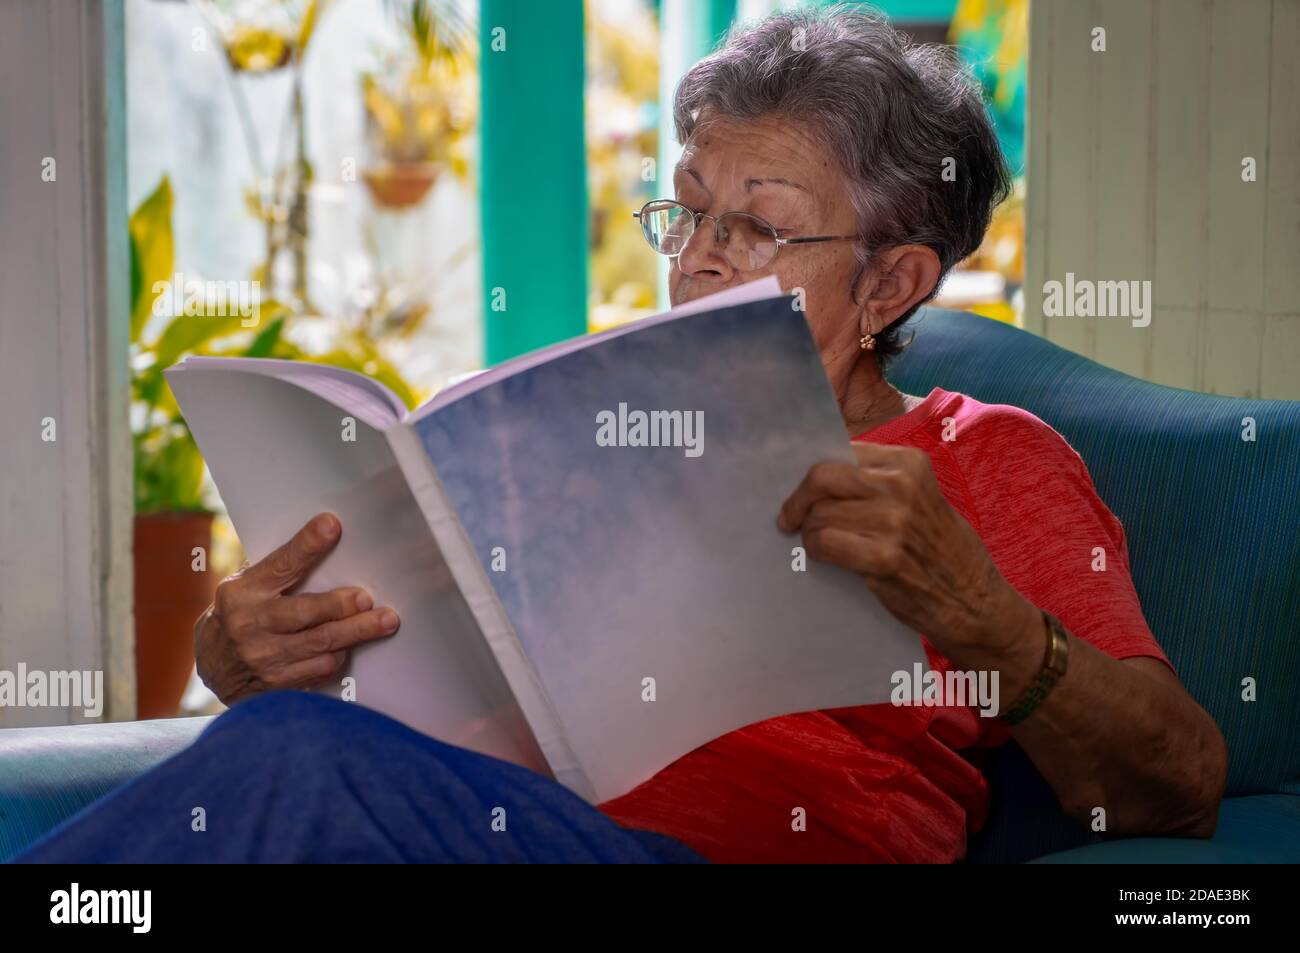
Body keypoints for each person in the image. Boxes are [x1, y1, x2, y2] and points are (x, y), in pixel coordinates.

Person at [18, 5, 1225, 864]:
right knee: (287, 735)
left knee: (293, 760)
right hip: (484, 826)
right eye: (689, 211)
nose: (698, 255)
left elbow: (1177, 785)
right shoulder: (547, 423)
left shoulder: (982, 455)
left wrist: (986, 618)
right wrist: (248, 659)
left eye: (759, 229)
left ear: (892, 284)